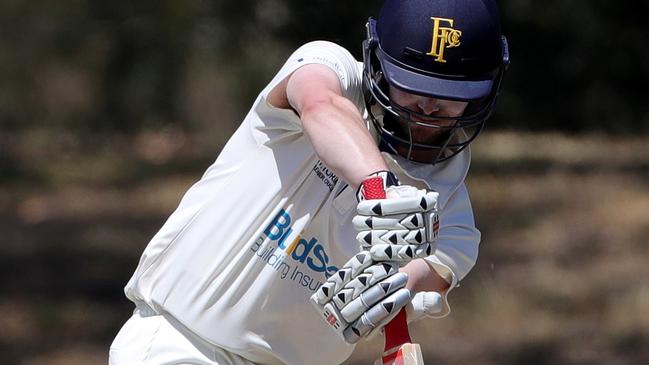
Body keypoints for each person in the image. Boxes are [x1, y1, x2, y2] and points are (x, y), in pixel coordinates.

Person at [109, 0, 509, 364]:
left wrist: (398, 285)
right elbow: (320, 103)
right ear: (377, 60)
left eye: (449, 92)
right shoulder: (327, 66)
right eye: (411, 84)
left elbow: (428, 276)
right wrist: (378, 189)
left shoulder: (453, 217)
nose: (426, 105)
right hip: (179, 343)